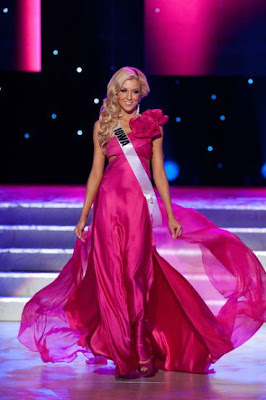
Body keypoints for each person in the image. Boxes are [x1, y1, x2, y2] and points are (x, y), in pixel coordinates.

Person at [18, 66, 266, 380]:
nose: (129, 97)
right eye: (124, 91)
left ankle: (140, 345)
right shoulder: (103, 126)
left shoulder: (152, 126)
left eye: (135, 91)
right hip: (108, 208)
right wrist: (83, 216)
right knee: (110, 278)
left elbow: (159, 173)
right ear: (115, 92)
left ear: (142, 93)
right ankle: (124, 356)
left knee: (136, 277)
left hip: (137, 210)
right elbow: (96, 173)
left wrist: (170, 214)